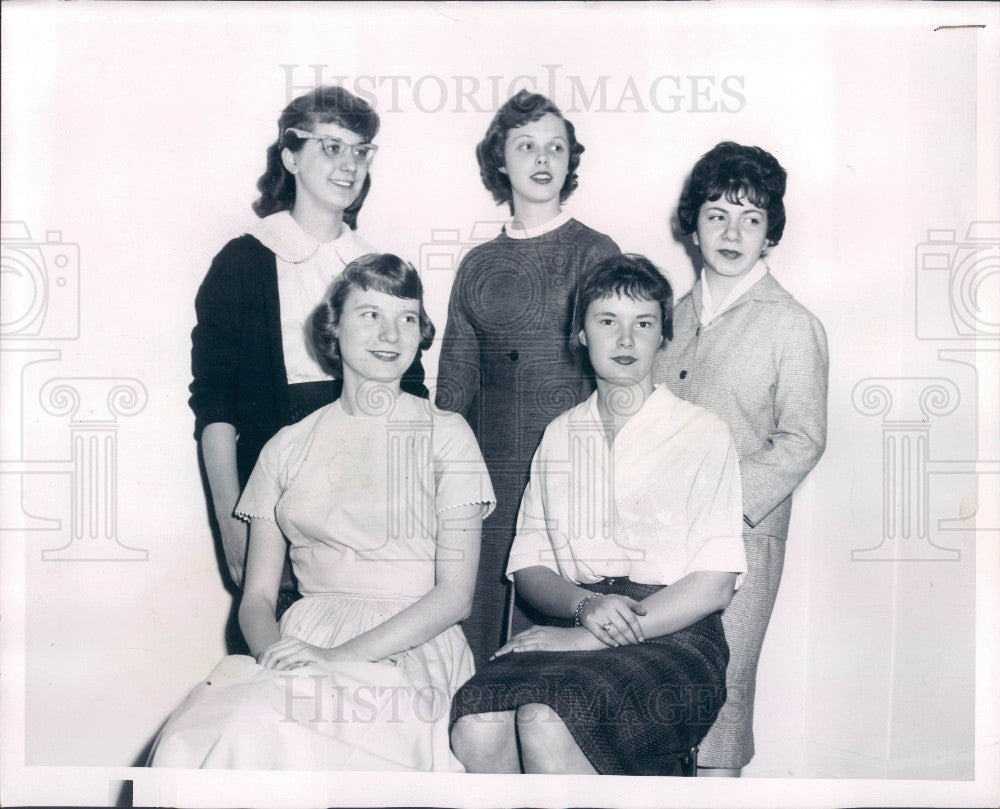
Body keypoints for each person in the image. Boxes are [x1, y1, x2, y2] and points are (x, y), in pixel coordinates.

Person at [150, 254, 494, 771]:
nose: (390, 333)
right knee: (210, 731)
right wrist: (278, 657)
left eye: (406, 318)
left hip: (407, 647)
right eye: (370, 314)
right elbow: (258, 598)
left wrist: (336, 660)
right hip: (300, 640)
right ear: (333, 328)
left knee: (270, 732)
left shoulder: (446, 435)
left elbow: (454, 598)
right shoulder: (287, 446)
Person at [449, 254, 747, 775]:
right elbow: (531, 567)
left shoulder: (702, 432)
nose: (626, 340)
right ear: (581, 334)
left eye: (644, 324)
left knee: (545, 719)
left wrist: (587, 635)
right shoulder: (561, 434)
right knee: (478, 722)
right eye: (608, 321)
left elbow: (715, 585)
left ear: (663, 337)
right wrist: (585, 606)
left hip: (676, 638)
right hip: (586, 614)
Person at [190, 86, 427, 624]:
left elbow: (413, 399)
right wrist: (233, 526)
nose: (349, 165)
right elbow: (216, 410)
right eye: (331, 147)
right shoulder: (243, 263)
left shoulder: (380, 269)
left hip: (372, 494)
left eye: (360, 151)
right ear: (291, 157)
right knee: (285, 663)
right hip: (275, 494)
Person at [653, 142, 828, 776]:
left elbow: (803, 440)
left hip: (743, 543)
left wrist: (724, 503)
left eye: (750, 218)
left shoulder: (792, 324)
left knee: (721, 701)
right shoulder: (667, 317)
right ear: (692, 223)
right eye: (717, 213)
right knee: (655, 693)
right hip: (657, 541)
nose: (732, 231)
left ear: (769, 232)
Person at [436, 90, 620, 668]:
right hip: (489, 472)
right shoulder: (477, 264)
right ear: (501, 161)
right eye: (526, 146)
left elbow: (619, 374)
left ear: (570, 161)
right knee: (478, 623)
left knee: (548, 633)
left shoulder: (596, 252)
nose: (542, 159)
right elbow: (454, 385)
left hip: (571, 463)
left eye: (555, 147)